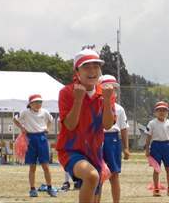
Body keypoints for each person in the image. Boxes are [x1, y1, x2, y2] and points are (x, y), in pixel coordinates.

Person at [56, 48, 115, 203]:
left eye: (96, 66)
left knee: (96, 194)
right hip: (70, 149)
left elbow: (107, 125)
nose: (92, 71)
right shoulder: (67, 92)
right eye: (86, 67)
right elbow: (69, 125)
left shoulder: (106, 93)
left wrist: (108, 101)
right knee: (91, 175)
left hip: (95, 151)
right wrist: (78, 100)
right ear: (77, 71)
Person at [13, 94, 57, 197]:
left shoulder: (45, 112)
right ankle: (32, 189)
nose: (38, 104)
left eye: (40, 102)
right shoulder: (25, 112)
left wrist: (47, 127)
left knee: (45, 165)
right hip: (30, 139)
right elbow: (15, 119)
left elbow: (51, 119)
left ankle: (50, 188)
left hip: (42, 138)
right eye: (36, 102)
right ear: (30, 104)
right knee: (32, 166)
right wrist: (22, 128)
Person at [99, 74, 130, 203]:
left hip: (113, 140)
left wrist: (126, 148)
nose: (112, 91)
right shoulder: (95, 106)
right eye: (107, 88)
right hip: (97, 139)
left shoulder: (119, 109)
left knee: (114, 175)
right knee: (97, 175)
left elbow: (124, 128)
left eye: (114, 89)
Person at [145, 101, 169, 197]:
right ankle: (156, 188)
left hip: (167, 146)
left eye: (164, 110)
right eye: (159, 110)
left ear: (167, 112)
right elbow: (148, 137)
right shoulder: (152, 123)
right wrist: (147, 149)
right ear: (155, 112)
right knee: (156, 169)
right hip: (156, 146)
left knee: (168, 168)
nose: (161, 112)